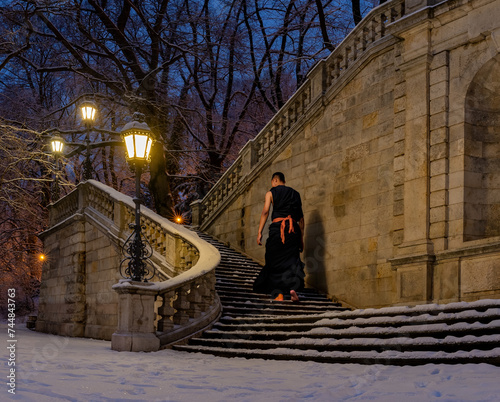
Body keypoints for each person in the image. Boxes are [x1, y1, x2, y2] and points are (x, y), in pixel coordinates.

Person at [253, 172, 305, 302]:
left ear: (275, 180)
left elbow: (265, 211)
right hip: (293, 230)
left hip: (278, 229)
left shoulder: (271, 193)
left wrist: (260, 231)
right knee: (292, 260)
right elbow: (301, 219)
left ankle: (279, 294)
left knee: (274, 260)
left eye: (272, 182)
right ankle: (293, 290)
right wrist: (301, 238)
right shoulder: (295, 194)